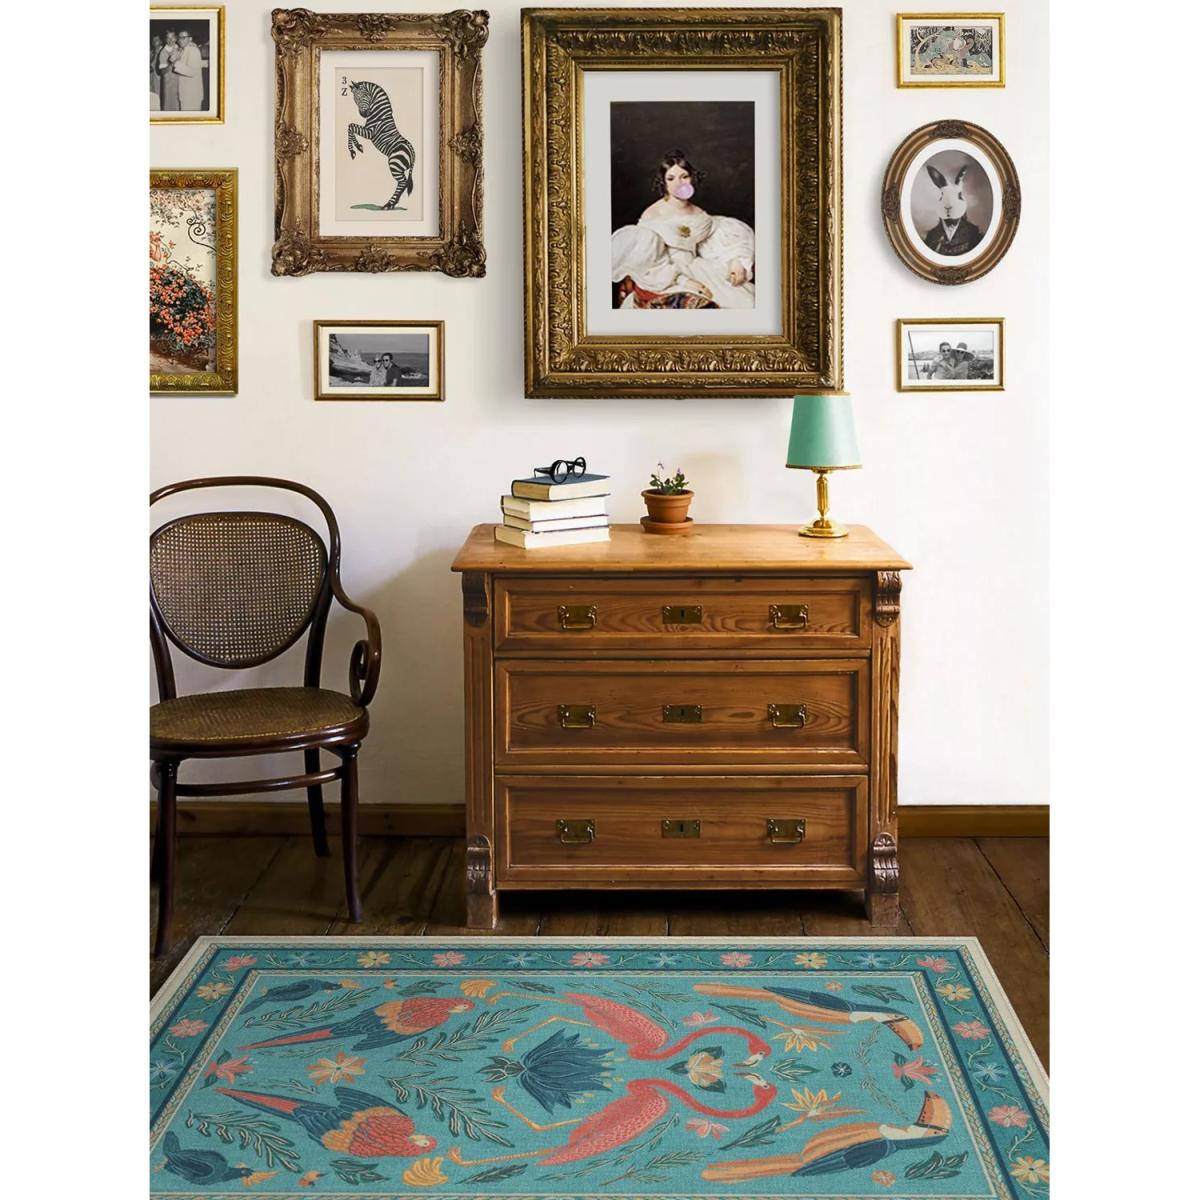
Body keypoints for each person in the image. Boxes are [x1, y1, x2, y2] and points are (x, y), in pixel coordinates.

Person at [610, 151, 755, 310]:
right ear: (663, 182)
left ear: (692, 178)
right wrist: (685, 282)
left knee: (746, 303)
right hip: (669, 276)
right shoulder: (653, 214)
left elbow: (721, 235)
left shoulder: (698, 212)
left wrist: (736, 261)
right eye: (671, 178)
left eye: (684, 177)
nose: (678, 184)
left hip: (698, 268)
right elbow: (649, 262)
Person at [173, 29, 205, 111]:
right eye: (179, 37)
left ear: (190, 39)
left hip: (192, 95)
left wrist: (176, 62)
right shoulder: (184, 50)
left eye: (184, 37)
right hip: (186, 94)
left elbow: (192, 72)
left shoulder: (193, 51)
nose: (181, 40)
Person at [157, 32, 180, 111]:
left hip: (181, 85)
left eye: (172, 37)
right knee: (170, 108)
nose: (170, 40)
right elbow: (162, 72)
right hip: (169, 86)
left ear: (176, 38)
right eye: (168, 38)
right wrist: (170, 63)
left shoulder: (180, 49)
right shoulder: (163, 52)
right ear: (165, 40)